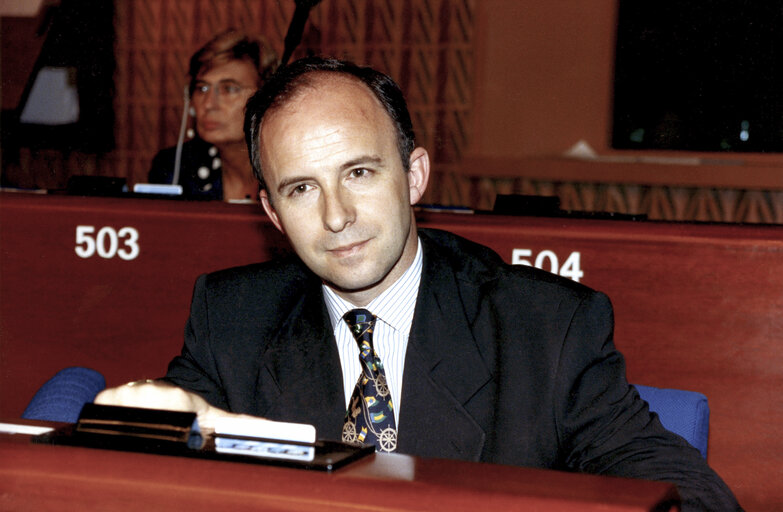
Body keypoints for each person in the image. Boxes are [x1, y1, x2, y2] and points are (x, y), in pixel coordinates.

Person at [97, 57, 741, 510]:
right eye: (301, 189)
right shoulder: (233, 316)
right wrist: (145, 421)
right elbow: (134, 462)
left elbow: (689, 493)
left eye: (359, 174)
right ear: (271, 212)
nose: (336, 217)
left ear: (413, 176)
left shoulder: (543, 327)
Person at [147, 29, 278, 201]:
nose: (208, 104)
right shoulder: (175, 168)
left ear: (265, 98)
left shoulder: (287, 167)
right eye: (202, 88)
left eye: (229, 89)